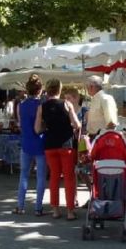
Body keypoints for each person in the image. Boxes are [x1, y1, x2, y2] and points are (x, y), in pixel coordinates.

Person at [36, 79, 81, 221]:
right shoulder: (67, 104)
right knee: (69, 178)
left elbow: (37, 129)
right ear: (59, 89)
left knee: (54, 177)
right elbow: (77, 124)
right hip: (65, 145)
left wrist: (47, 127)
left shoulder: (42, 107)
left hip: (50, 145)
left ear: (48, 90)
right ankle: (70, 211)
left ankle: (55, 210)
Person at [14, 74, 47, 216]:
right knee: (41, 176)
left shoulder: (21, 105)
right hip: (40, 141)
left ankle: (20, 206)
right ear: (40, 90)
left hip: (26, 141)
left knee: (24, 175)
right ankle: (38, 208)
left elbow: (20, 124)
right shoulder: (42, 106)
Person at [85, 75, 118, 139]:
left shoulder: (106, 99)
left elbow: (112, 123)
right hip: (94, 137)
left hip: (102, 138)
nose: (87, 89)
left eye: (87, 87)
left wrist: (105, 139)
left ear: (91, 87)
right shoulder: (95, 99)